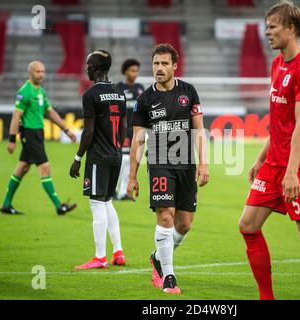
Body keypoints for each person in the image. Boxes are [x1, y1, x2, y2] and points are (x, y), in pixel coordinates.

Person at [238, 1, 300, 300]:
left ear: (290, 28)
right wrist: (261, 157)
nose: (268, 33)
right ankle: (267, 297)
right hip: (275, 162)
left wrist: (292, 173)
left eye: (273, 27)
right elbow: (281, 122)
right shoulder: (277, 64)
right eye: (267, 27)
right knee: (248, 226)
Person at [127, 43, 209, 294]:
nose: (159, 68)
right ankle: (169, 277)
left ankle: (157, 257)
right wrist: (132, 176)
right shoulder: (144, 100)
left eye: (164, 63)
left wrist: (203, 162)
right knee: (165, 216)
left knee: (183, 225)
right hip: (160, 163)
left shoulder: (188, 92)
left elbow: (198, 130)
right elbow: (138, 140)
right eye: (155, 63)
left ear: (175, 66)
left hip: (185, 165)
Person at [70, 50, 128, 269]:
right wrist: (116, 148)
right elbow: (123, 127)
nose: (86, 68)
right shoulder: (119, 93)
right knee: (107, 202)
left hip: (98, 157)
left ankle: (100, 257)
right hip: (115, 155)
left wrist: (77, 158)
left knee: (96, 204)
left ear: (94, 68)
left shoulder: (91, 95)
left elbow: (88, 132)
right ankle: (118, 252)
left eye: (88, 64)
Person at [0, 60, 77, 215]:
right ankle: (59, 206)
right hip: (29, 134)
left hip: (37, 134)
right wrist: (12, 140)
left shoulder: (40, 91)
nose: (41, 74)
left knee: (22, 168)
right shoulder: (25, 91)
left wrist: (66, 129)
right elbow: (16, 115)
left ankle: (6, 205)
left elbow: (50, 113)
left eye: (43, 71)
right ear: (30, 72)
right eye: (38, 71)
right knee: (45, 168)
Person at [115, 59, 145, 200]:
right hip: (122, 129)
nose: (135, 73)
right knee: (124, 159)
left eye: (137, 70)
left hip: (136, 129)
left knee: (130, 159)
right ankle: (117, 190)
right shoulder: (119, 88)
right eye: (132, 70)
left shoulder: (140, 88)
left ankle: (122, 191)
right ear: (125, 71)